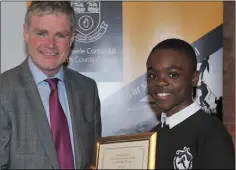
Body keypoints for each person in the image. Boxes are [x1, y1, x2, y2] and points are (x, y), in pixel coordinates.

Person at [0, 1, 101, 169]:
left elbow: (94, 161)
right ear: (25, 33)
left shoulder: (87, 89)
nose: (51, 44)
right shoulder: (3, 91)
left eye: (60, 35)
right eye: (42, 33)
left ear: (72, 38)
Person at [146, 38, 235, 169]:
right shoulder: (151, 137)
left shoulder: (211, 134)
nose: (160, 82)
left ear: (194, 79)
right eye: (153, 75)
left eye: (173, 75)